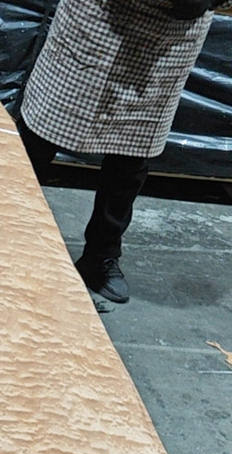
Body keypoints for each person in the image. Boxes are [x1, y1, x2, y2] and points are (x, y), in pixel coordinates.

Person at [18, 0, 218, 303]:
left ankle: (100, 256)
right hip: (98, 22)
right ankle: (4, 226)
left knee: (132, 157)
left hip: (172, 37)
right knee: (39, 135)